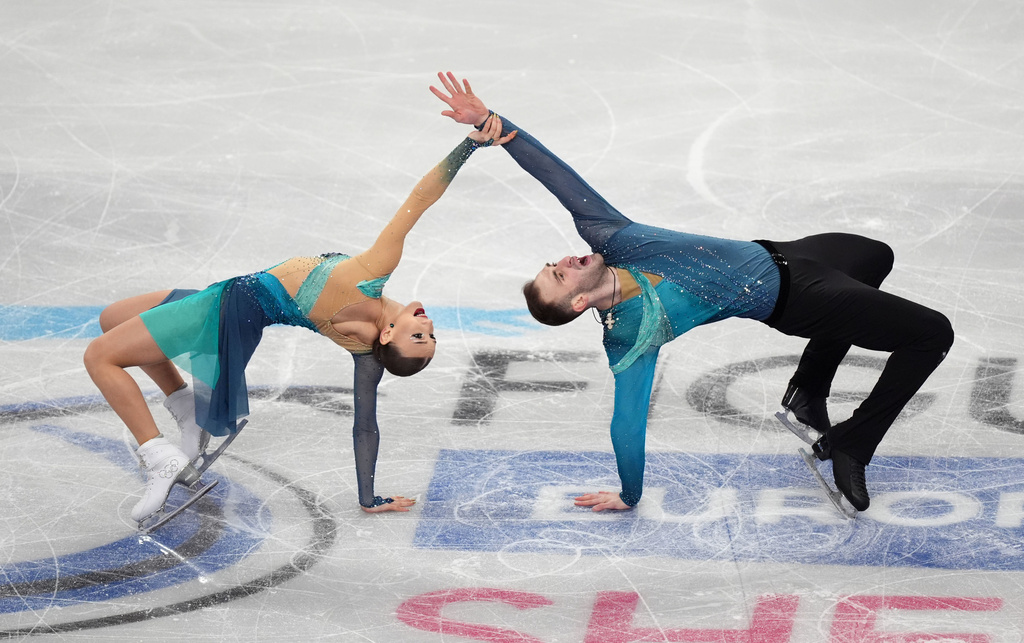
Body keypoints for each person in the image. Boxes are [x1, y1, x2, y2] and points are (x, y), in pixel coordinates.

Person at [431, 71, 953, 514]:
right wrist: (629, 494)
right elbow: (627, 420)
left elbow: (557, 178)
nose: (565, 261)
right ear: (579, 304)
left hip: (790, 252)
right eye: (560, 276)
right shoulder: (631, 334)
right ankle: (853, 444)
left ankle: (806, 393)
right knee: (932, 335)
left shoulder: (614, 240)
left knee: (874, 255)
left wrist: (492, 123)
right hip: (800, 300)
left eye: (555, 264)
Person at [83, 115, 515, 525]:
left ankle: (158, 455)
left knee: (101, 356)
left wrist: (468, 146)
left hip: (226, 308)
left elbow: (420, 200)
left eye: (419, 335)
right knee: (114, 319)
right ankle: (185, 406)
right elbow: (365, 425)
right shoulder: (367, 353)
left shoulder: (371, 275)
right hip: (236, 307)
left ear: (388, 333)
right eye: (431, 335)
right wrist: (369, 497)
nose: (427, 323)